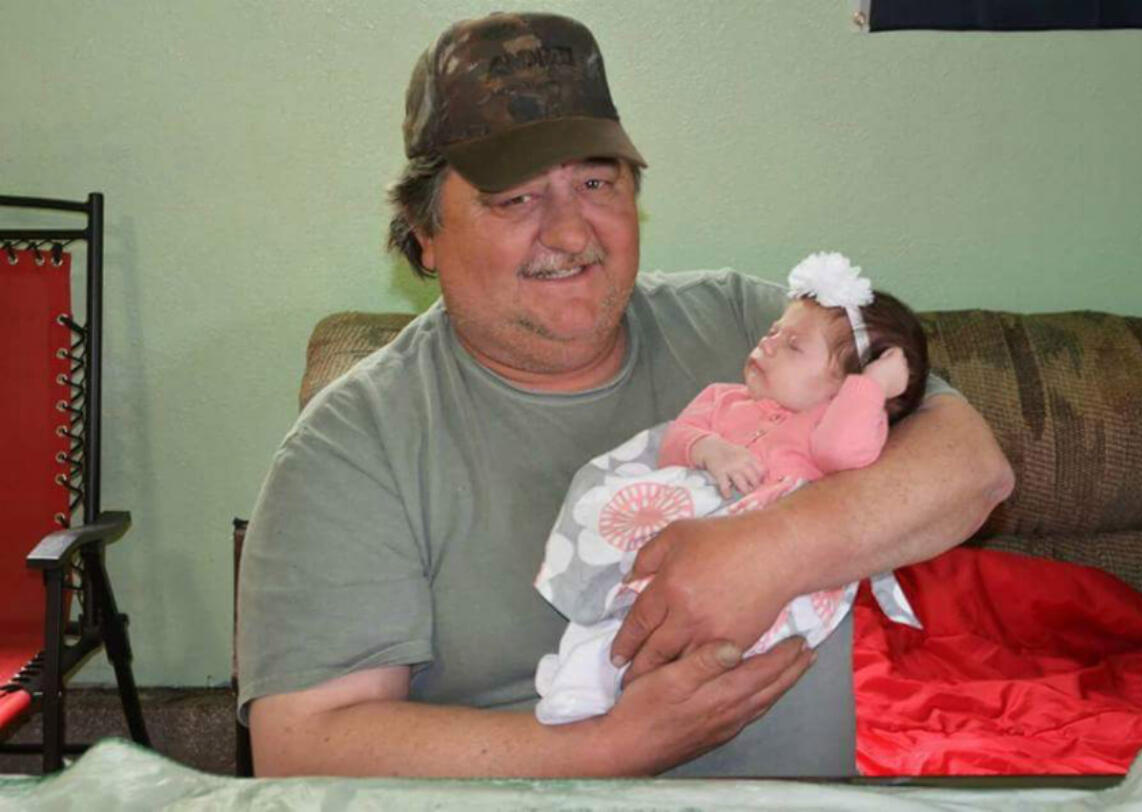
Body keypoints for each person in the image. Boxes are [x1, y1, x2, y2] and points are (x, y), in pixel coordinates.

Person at [238, 11, 1014, 778]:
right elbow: (304, 743)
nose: (573, 234)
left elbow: (973, 468)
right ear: (425, 232)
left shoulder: (754, 330)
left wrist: (772, 552)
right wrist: (607, 751)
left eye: (596, 182)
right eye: (516, 198)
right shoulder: (352, 446)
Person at [534, 252, 929, 725]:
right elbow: (674, 442)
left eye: (794, 346)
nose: (769, 344)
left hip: (743, 573)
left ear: (844, 387)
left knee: (684, 634)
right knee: (613, 601)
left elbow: (844, 453)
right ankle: (579, 670)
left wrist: (868, 390)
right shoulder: (725, 399)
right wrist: (709, 449)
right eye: (773, 332)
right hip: (669, 534)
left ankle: (602, 678)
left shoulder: (831, 426)